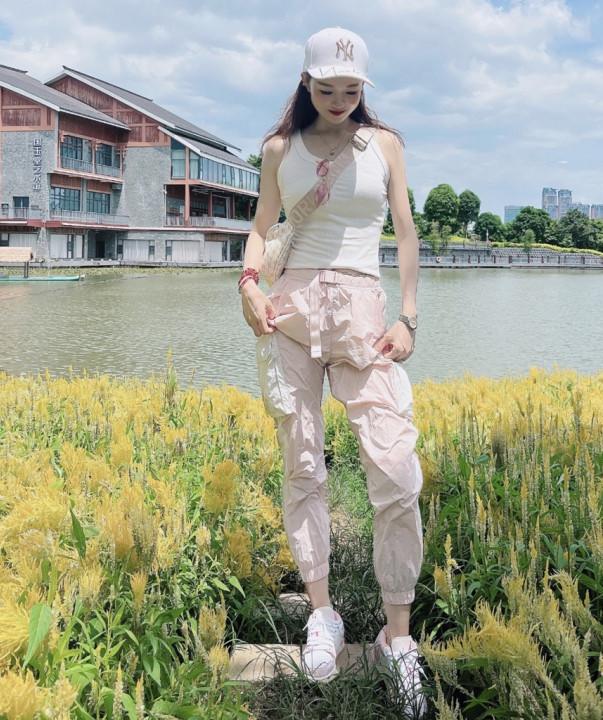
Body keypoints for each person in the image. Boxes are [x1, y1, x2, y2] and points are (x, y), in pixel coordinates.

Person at [239, 27, 425, 716]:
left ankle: (397, 636)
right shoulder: (278, 150)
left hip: (363, 314)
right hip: (289, 312)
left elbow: (405, 230)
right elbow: (261, 226)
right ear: (305, 83)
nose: (340, 99)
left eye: (351, 89)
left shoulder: (384, 145)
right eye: (327, 88)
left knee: (395, 466)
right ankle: (323, 613)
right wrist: (249, 283)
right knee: (301, 461)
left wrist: (408, 318)